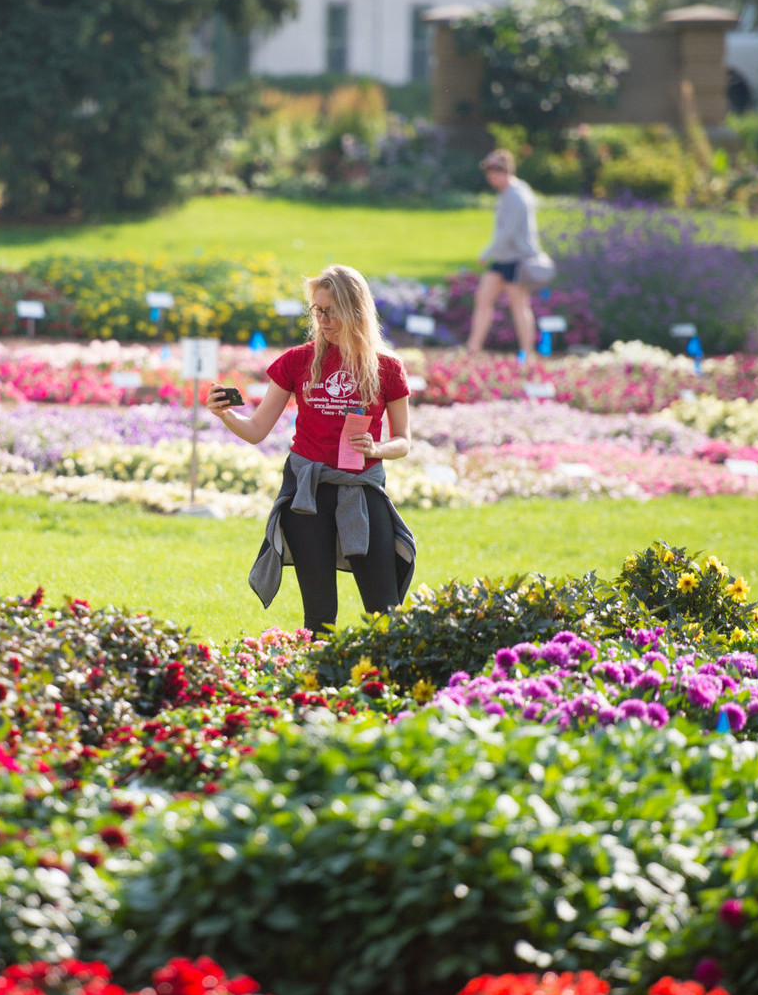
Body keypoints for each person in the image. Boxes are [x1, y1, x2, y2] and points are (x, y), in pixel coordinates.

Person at [206, 264, 416, 634]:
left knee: (384, 611)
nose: (322, 319)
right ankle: (319, 686)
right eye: (317, 310)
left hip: (361, 490)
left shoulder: (387, 367)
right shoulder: (297, 361)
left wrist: (377, 448)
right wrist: (224, 414)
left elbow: (404, 440)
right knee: (318, 618)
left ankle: (386, 680)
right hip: (307, 492)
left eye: (330, 310)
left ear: (356, 310)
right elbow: (256, 430)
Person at [467, 147, 542, 356]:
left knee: (519, 305)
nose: (490, 177)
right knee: (483, 298)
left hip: (516, 260)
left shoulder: (518, 196)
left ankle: (527, 354)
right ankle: (473, 348)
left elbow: (508, 232)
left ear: (505, 171)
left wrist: (486, 252)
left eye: (494, 172)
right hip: (502, 259)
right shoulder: (506, 193)